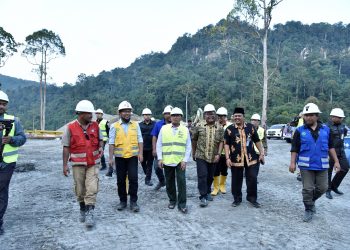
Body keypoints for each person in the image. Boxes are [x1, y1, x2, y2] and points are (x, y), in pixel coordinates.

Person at [289, 103, 341, 222]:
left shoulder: (326, 130)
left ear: (317, 116)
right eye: (306, 115)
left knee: (323, 187)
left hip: (322, 165)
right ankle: (308, 209)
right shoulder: (299, 131)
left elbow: (331, 147)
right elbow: (294, 148)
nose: (308, 117)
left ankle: (310, 202)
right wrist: (292, 163)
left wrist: (336, 161)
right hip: (306, 166)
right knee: (307, 189)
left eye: (311, 115)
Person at [62, 100, 103, 228]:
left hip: (93, 163)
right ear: (80, 114)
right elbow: (66, 147)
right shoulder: (70, 127)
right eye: (89, 113)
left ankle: (90, 212)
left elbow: (101, 140)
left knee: (92, 187)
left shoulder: (95, 126)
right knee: (80, 189)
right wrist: (64, 165)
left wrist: (101, 147)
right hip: (77, 164)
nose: (92, 115)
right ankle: (82, 208)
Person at [224, 107, 265, 208]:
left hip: (251, 158)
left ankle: (252, 199)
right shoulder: (229, 129)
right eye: (235, 116)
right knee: (236, 179)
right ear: (233, 117)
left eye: (239, 116)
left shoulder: (250, 127)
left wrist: (261, 153)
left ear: (243, 117)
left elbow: (257, 141)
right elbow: (226, 144)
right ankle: (237, 199)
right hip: (235, 159)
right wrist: (227, 158)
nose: (237, 117)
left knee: (252, 178)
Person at [108, 101, 143, 212]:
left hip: (132, 157)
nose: (127, 113)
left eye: (129, 111)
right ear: (120, 113)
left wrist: (141, 153)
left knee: (133, 179)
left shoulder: (135, 125)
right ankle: (122, 201)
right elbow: (111, 143)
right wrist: (110, 158)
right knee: (120, 180)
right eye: (124, 111)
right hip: (120, 158)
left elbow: (140, 140)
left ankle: (133, 202)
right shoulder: (114, 126)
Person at [0, 90, 26, 235]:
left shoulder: (14, 120)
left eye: (4, 104)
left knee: (1, 191)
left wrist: (12, 140)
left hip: (6, 163)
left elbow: (23, 138)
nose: (2, 106)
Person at [157, 107, 191, 213]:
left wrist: (185, 160)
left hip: (180, 161)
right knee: (169, 181)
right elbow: (159, 144)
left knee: (181, 182)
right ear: (170, 117)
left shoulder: (185, 130)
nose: (175, 117)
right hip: (167, 160)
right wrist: (160, 159)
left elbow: (188, 146)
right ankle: (172, 200)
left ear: (181, 117)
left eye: (178, 115)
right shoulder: (164, 128)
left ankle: (182, 204)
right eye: (173, 115)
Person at [192, 104, 224, 207]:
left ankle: (208, 191)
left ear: (215, 114)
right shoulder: (198, 126)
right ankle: (203, 196)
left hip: (214, 156)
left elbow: (221, 142)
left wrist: (218, 154)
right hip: (201, 155)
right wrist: (193, 153)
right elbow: (194, 140)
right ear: (204, 115)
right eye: (207, 114)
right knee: (202, 175)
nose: (210, 116)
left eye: (212, 113)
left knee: (210, 176)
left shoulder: (220, 127)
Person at [326, 108, 349, 199]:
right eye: (339, 117)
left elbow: (344, 135)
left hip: (341, 151)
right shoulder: (326, 127)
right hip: (330, 152)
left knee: (345, 168)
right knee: (329, 171)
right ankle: (327, 190)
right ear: (333, 117)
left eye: (341, 117)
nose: (340, 119)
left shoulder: (343, 126)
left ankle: (333, 186)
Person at [151, 105, 173, 191]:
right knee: (157, 167)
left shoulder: (176, 125)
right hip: (160, 150)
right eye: (167, 113)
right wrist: (154, 149)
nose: (169, 115)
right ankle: (162, 181)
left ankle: (170, 186)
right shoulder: (158, 124)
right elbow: (154, 137)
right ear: (164, 115)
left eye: (171, 113)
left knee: (170, 169)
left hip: (171, 151)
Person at [211, 107, 232, 196]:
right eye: (219, 116)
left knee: (224, 170)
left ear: (225, 116)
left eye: (222, 116)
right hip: (216, 152)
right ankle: (216, 187)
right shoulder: (214, 125)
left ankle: (222, 185)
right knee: (215, 170)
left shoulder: (230, 126)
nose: (220, 118)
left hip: (227, 153)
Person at [139, 108, 156, 186]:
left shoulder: (154, 124)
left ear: (150, 115)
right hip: (142, 148)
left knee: (150, 164)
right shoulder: (139, 125)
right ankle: (147, 175)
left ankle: (148, 180)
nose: (147, 116)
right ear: (143, 116)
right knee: (142, 163)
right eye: (145, 115)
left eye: (148, 115)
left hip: (151, 148)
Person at [250, 113, 268, 178]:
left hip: (258, 152)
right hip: (249, 151)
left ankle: (254, 178)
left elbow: (264, 141)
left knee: (257, 166)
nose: (254, 122)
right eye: (252, 120)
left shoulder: (262, 130)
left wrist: (265, 151)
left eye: (255, 120)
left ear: (258, 122)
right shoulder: (247, 129)